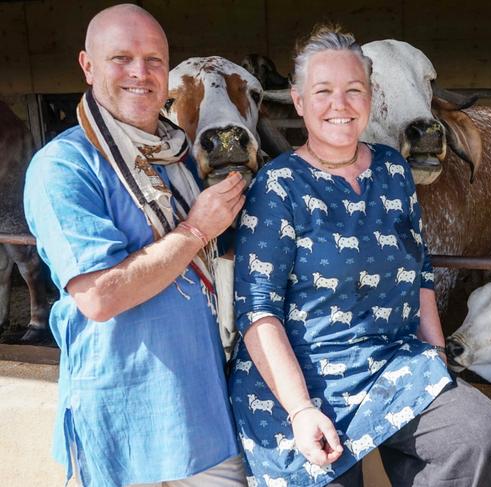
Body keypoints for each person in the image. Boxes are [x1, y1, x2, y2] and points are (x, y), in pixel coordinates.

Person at [229, 26, 491, 487]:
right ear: (298, 102)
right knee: (324, 474)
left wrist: (436, 357)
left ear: (370, 97)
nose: (339, 105)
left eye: (353, 90)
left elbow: (420, 272)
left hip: (393, 362)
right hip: (305, 375)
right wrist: (301, 411)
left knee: (476, 432)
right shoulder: (277, 186)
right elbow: (258, 311)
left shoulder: (392, 168)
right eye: (323, 91)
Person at [23, 5, 247, 486]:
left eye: (154, 60)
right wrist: (195, 231)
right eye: (120, 58)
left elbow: (223, 246)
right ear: (87, 65)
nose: (140, 74)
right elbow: (100, 297)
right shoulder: (63, 166)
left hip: (207, 420)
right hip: (122, 430)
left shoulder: (177, 158)